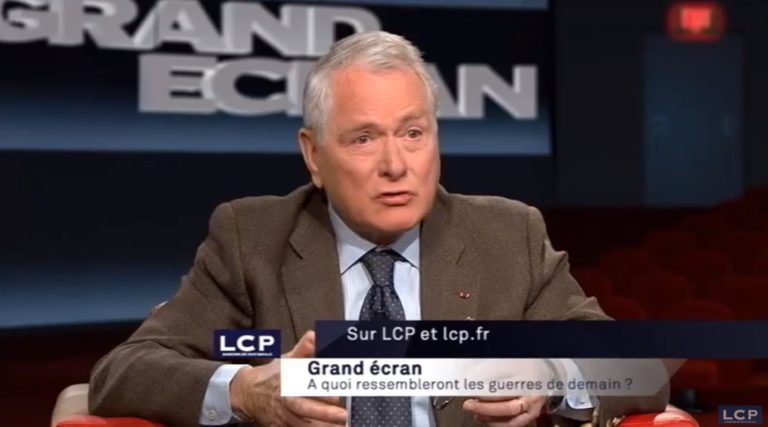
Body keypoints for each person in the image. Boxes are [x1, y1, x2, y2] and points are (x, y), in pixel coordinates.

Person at [89, 31, 668, 427]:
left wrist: (551, 374)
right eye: (363, 138)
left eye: (413, 133)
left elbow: (640, 371)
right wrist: (245, 391)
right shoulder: (251, 238)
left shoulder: (507, 235)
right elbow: (123, 373)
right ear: (313, 155)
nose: (397, 165)